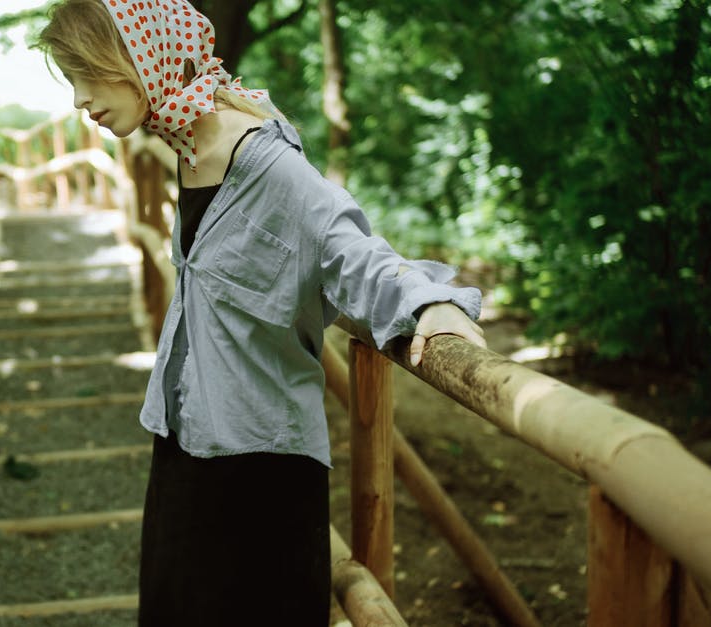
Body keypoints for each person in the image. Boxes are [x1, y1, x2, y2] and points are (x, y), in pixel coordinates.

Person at [37, 1, 486, 624]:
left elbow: (345, 244)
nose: (81, 100)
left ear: (138, 54)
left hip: (256, 469)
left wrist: (428, 303)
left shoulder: (258, 154)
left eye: (87, 73)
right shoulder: (186, 144)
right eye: (71, 79)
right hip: (186, 441)